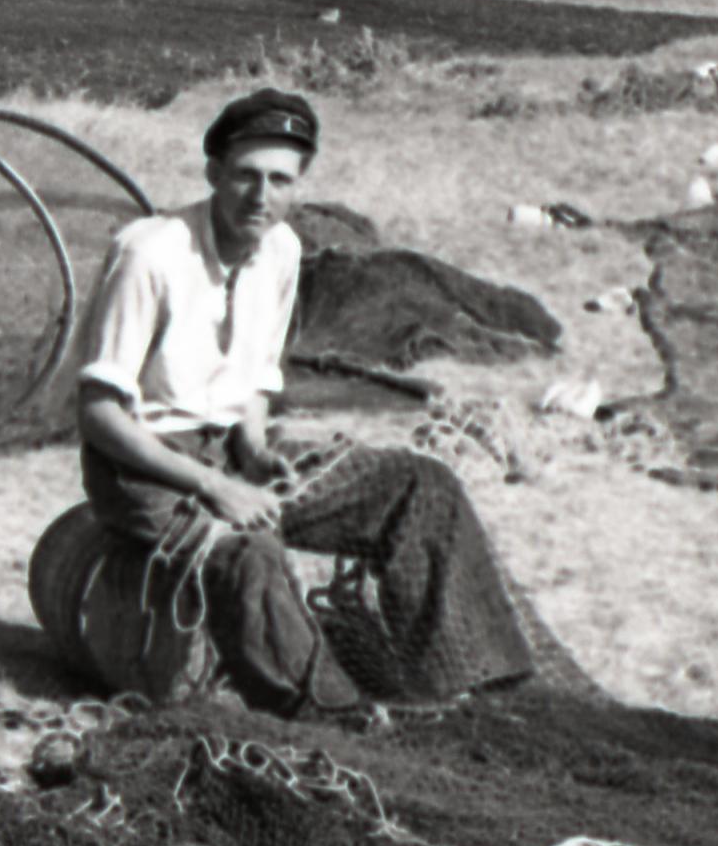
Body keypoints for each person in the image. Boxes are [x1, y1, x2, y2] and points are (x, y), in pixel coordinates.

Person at [69, 88, 536, 714]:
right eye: (246, 176)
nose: (262, 197)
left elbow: (257, 377)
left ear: (298, 186)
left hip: (232, 453)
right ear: (213, 173)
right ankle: (335, 717)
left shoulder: (283, 250)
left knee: (418, 485)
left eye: (280, 180)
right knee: (248, 556)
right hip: (147, 469)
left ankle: (467, 686)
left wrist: (257, 450)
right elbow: (99, 414)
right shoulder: (149, 253)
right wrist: (214, 486)